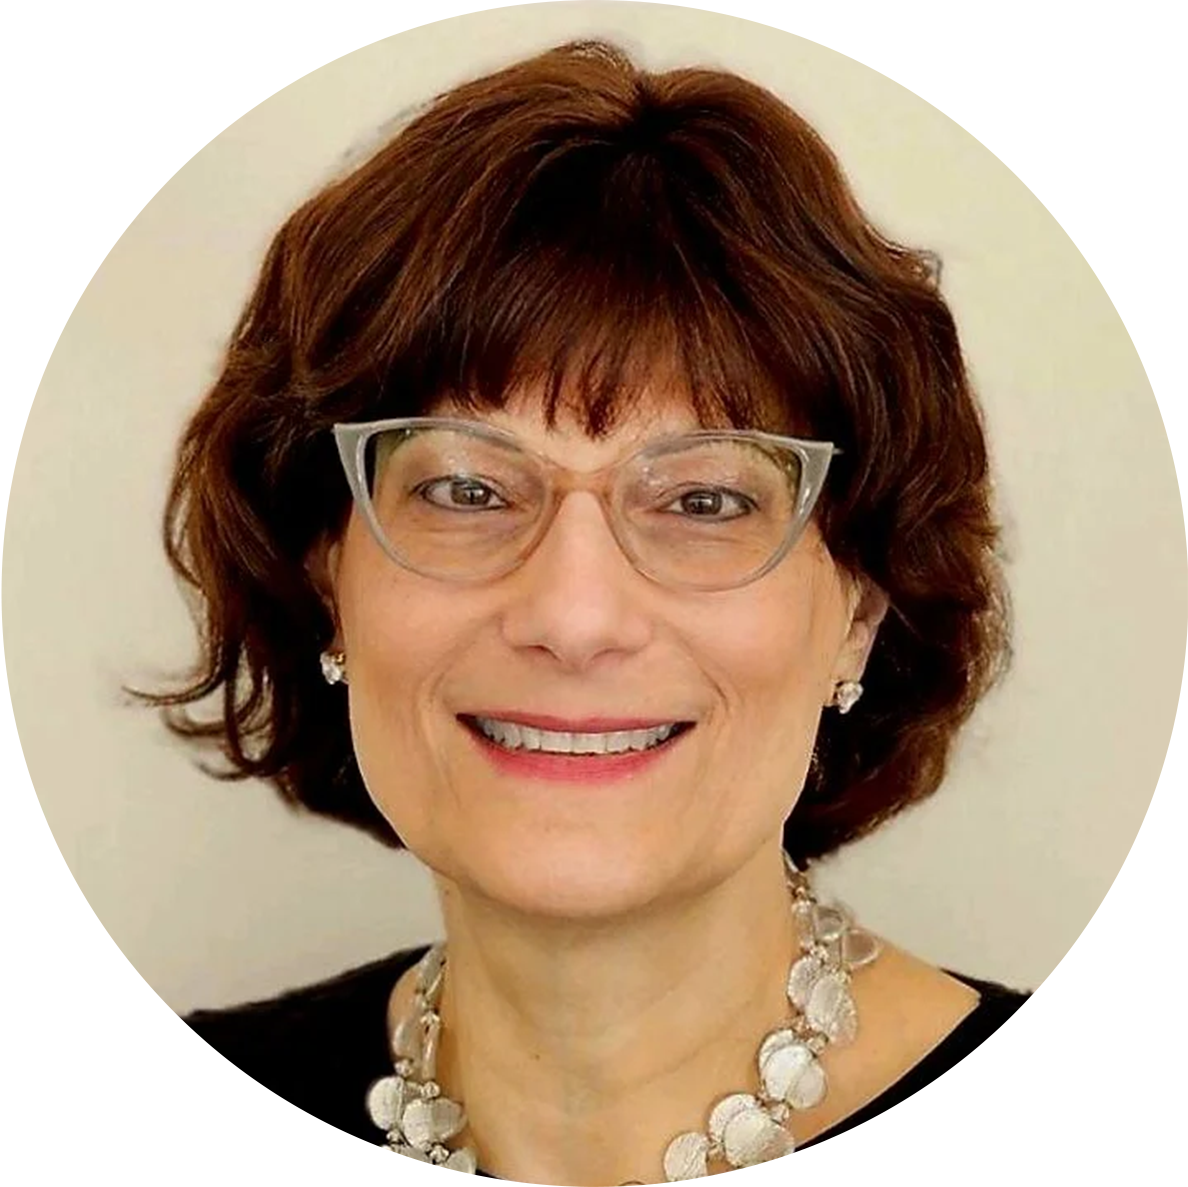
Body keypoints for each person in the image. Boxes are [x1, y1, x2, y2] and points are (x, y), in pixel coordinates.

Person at [129, 39, 1030, 1187]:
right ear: (325, 577)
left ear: (859, 607)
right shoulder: (166, 1120)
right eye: (465, 488)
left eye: (706, 498)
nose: (574, 612)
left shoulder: (1122, 1135)